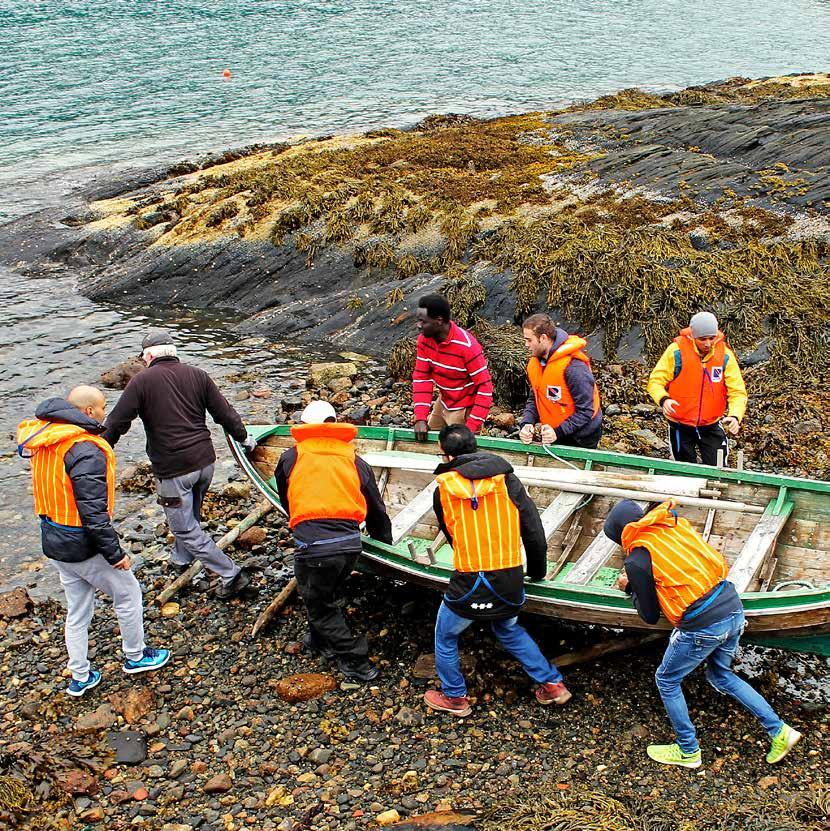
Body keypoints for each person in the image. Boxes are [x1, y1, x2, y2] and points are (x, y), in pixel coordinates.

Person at [605, 499, 801, 768]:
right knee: (721, 674)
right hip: (733, 608)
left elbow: (649, 616)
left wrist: (630, 588)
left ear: (620, 534)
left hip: (704, 626)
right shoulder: (674, 526)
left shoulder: (638, 559)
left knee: (667, 680)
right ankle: (779, 730)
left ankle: (688, 751)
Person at [16, 387, 170, 697]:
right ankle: (136, 656)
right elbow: (93, 512)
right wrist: (115, 554)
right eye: (102, 407)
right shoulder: (85, 449)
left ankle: (80, 676)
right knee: (128, 593)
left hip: (54, 539)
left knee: (77, 610)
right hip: (82, 543)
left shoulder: (47, 439)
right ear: (89, 412)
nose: (104, 412)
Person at [424, 424, 572, 717]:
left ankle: (455, 698)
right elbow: (533, 531)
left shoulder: (443, 491)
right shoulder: (508, 482)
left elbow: (452, 534)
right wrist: (537, 571)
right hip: (509, 577)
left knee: (445, 636)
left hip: (470, 578)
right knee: (508, 627)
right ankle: (553, 685)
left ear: (449, 456)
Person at [103, 330, 255, 600]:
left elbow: (117, 422)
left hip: (174, 468)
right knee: (191, 515)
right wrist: (245, 439)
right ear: (173, 351)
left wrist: (98, 451)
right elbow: (225, 413)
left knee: (184, 526)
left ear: (148, 356)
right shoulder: (198, 375)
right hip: (205, 463)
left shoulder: (141, 382)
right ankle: (180, 560)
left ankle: (231, 574)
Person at [274, 400, 392, 683]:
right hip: (350, 544)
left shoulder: (291, 457)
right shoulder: (354, 460)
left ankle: (357, 661)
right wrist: (383, 543)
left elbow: (287, 499)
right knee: (325, 592)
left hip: (313, 546)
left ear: (305, 427)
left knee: (319, 604)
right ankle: (319, 639)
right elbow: (376, 509)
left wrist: (300, 525)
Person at [647, 312, 747, 466]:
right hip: (680, 424)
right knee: (684, 470)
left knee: (718, 467)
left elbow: (737, 391)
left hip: (711, 424)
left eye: (711, 338)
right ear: (693, 336)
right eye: (702, 339)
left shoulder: (725, 355)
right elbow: (655, 381)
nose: (708, 343)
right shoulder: (676, 352)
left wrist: (735, 416)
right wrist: (664, 399)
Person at [411, 294, 493, 441]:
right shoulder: (424, 341)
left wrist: (471, 427)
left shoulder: (467, 347)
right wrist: (420, 417)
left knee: (459, 452)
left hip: (464, 408)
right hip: (444, 400)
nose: (418, 325)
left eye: (423, 322)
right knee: (426, 440)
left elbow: (485, 388)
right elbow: (421, 378)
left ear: (439, 321)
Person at [519, 314, 602, 449]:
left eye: (529, 340)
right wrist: (527, 422)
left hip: (580, 437)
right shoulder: (536, 363)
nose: (526, 345)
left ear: (543, 338)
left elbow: (586, 410)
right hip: (555, 432)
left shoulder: (574, 368)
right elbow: (534, 398)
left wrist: (558, 432)